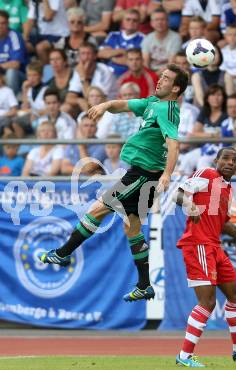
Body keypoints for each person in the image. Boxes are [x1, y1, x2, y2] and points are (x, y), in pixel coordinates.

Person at [40, 64, 189, 303]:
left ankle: (63, 253)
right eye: (161, 76)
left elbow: (174, 144)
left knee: (97, 209)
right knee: (131, 228)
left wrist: (167, 174)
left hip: (142, 175)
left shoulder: (169, 109)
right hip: (140, 174)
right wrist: (105, 105)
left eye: (167, 79)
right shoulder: (152, 103)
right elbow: (125, 105)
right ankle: (144, 285)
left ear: (176, 88)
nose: (160, 80)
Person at [173, 147, 236, 367]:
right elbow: (179, 194)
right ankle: (184, 356)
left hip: (214, 246)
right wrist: (191, 205)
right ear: (216, 160)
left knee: (235, 295)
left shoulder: (227, 188)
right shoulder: (206, 174)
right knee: (207, 302)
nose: (230, 163)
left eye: (235, 160)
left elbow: (223, 223)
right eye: (226, 158)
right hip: (198, 244)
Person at [98, 9, 144, 77]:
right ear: (122, 21)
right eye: (128, 19)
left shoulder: (143, 39)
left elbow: (135, 63)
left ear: (139, 23)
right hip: (106, 73)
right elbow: (100, 54)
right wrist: (122, 51)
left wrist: (111, 56)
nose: (131, 22)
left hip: (127, 76)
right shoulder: (113, 35)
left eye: (135, 20)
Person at [141, 8, 182, 74]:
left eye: (162, 19)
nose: (159, 22)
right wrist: (150, 77)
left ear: (168, 22)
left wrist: (155, 76)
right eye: (156, 20)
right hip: (151, 72)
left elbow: (171, 64)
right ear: (151, 23)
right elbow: (145, 63)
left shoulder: (176, 38)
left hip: (170, 73)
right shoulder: (147, 39)